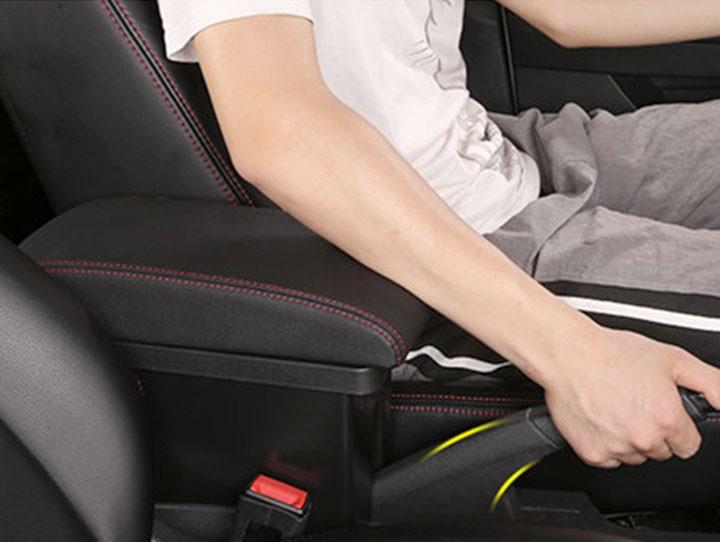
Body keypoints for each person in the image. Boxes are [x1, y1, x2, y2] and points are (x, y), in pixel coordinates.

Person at [156, 0, 720, 469]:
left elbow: (565, 10)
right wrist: (574, 354)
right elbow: (281, 132)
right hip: (440, 252)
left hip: (501, 156)